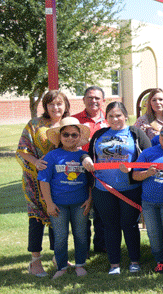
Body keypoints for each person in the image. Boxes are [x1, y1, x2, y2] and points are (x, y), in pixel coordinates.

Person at [84, 101, 151, 275]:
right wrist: (86, 159)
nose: (115, 119)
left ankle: (134, 261)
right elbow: (89, 154)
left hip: (129, 188)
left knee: (129, 225)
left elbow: (149, 157)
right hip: (103, 189)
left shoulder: (136, 133)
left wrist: (133, 166)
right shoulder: (100, 134)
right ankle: (114, 264)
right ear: (106, 117)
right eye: (111, 116)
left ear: (126, 116)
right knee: (110, 226)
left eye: (118, 115)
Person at [17, 90, 69, 277]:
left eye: (59, 103)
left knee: (58, 215)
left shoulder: (68, 124)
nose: (56, 107)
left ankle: (58, 257)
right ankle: (35, 261)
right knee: (37, 218)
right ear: (46, 106)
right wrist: (36, 162)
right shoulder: (34, 124)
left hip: (61, 180)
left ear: (65, 105)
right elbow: (22, 149)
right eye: (51, 104)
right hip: (35, 180)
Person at [37, 118, 92, 279]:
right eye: (66, 134)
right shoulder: (52, 156)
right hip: (58, 204)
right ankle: (61, 266)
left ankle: (80, 264)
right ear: (60, 137)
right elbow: (44, 181)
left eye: (74, 135)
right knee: (60, 236)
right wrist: (49, 204)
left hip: (80, 203)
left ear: (79, 136)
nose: (70, 138)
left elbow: (91, 180)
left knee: (81, 234)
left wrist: (90, 199)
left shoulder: (84, 155)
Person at [129, 122, 163, 274]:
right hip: (149, 201)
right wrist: (147, 173)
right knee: (153, 233)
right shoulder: (148, 153)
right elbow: (135, 175)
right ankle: (160, 260)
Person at [72, 87, 109, 254]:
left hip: (103, 172)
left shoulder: (110, 120)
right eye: (89, 97)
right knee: (82, 210)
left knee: (102, 210)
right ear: (83, 100)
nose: (93, 101)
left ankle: (101, 247)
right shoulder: (74, 120)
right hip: (79, 170)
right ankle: (83, 249)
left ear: (103, 101)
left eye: (97, 98)